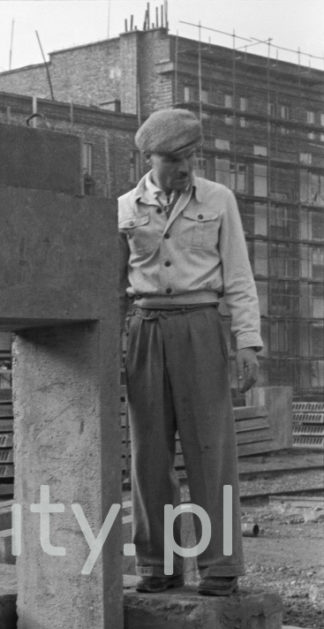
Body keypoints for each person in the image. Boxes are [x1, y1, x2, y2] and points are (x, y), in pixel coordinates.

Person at [118, 107, 261, 597]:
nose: (186, 167)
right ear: (151, 158)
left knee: (211, 451)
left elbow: (239, 276)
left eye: (192, 156)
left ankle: (219, 566)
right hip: (146, 327)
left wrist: (247, 343)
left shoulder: (219, 199)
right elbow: (113, 285)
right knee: (148, 455)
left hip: (203, 326)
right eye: (176, 159)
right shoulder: (124, 209)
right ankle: (157, 563)